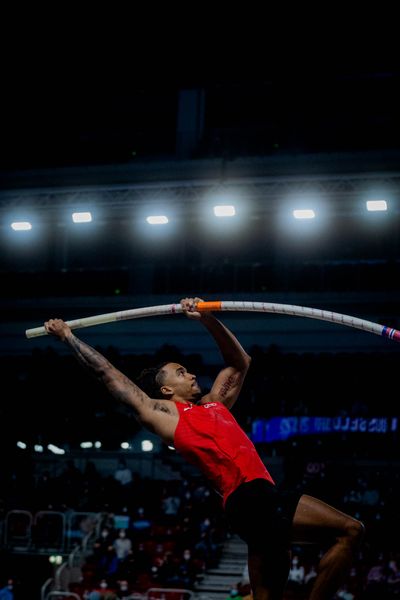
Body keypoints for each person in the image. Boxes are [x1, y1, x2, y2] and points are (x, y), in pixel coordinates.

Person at [44, 297, 365, 600]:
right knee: (350, 530)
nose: (192, 373)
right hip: (248, 498)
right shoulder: (165, 415)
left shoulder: (215, 404)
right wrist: (69, 336)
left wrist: (207, 319)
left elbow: (241, 362)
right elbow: (108, 375)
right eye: (181, 372)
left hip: (261, 499)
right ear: (166, 389)